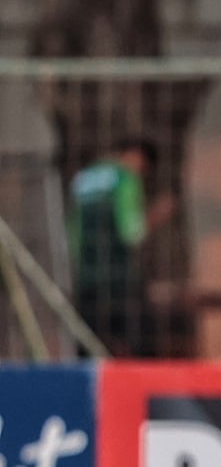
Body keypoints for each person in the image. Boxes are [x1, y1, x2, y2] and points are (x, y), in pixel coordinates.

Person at [67, 136, 174, 357]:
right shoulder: (125, 178)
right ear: (136, 156)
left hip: (86, 277)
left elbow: (72, 234)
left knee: (87, 342)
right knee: (141, 341)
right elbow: (131, 232)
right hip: (119, 278)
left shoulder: (84, 178)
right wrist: (157, 215)